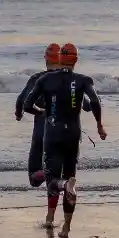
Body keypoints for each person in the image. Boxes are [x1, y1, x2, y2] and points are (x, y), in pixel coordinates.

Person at [23, 43, 106, 238]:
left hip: (53, 134)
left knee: (54, 182)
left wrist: (40, 111)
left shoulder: (45, 79)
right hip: (73, 135)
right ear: (76, 60)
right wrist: (100, 125)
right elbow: (94, 101)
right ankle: (66, 228)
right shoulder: (83, 80)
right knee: (71, 177)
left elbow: (27, 104)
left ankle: (63, 187)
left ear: (60, 58)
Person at [16, 43, 92, 187]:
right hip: (69, 132)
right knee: (67, 174)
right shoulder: (72, 80)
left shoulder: (38, 79)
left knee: (34, 176)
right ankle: (64, 189)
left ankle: (48, 174)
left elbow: (22, 101)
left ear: (46, 59)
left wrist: (19, 114)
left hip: (42, 132)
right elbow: (88, 105)